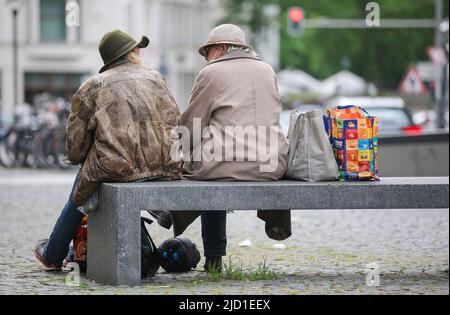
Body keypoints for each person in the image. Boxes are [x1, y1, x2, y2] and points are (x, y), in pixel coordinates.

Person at [34, 30, 182, 271]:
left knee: (80, 191)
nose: (139, 52)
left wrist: (82, 158)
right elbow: (175, 120)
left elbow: (76, 141)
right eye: (137, 49)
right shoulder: (157, 79)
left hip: (117, 168)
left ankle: (53, 253)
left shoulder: (93, 86)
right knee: (92, 178)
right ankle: (145, 246)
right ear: (130, 54)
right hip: (164, 165)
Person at [172, 24, 292, 272]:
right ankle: (275, 227)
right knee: (213, 161)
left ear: (222, 48)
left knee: (204, 168)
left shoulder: (211, 73)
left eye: (208, 52)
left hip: (223, 163)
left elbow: (193, 123)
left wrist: (180, 151)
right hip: (271, 164)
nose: (206, 59)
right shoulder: (267, 70)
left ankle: (213, 257)